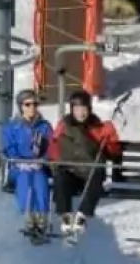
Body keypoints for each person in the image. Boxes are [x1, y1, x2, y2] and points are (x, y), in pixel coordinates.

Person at [48, 89, 120, 239]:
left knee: (98, 172)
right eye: (77, 109)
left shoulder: (99, 127)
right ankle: (65, 215)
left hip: (90, 173)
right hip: (72, 171)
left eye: (84, 109)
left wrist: (111, 138)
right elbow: (54, 147)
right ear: (72, 110)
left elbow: (113, 153)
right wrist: (55, 162)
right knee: (61, 175)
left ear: (90, 109)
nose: (81, 113)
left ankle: (82, 215)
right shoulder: (64, 126)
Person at [2, 88, 53, 239]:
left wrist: (43, 159)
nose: (32, 108)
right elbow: (8, 147)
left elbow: (52, 146)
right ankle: (28, 215)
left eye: (35, 104)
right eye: (28, 104)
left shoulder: (44, 126)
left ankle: (42, 215)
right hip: (18, 166)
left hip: (38, 165)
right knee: (24, 178)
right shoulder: (12, 127)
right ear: (21, 107)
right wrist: (18, 161)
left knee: (40, 179)